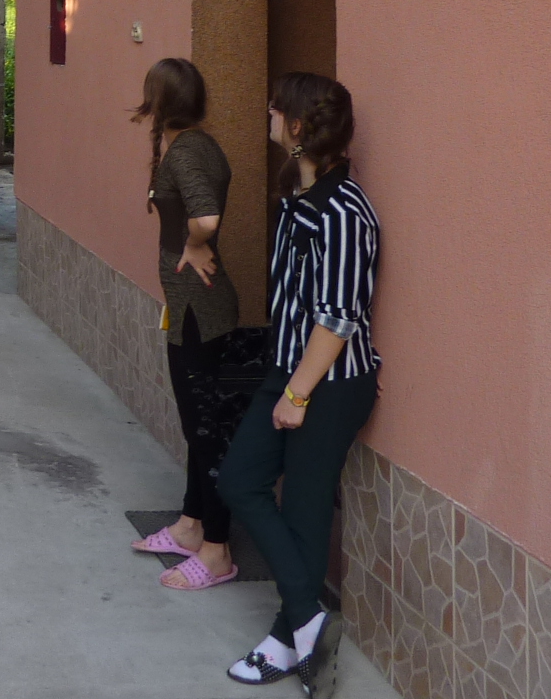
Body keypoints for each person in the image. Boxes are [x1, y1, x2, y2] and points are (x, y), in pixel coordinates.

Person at [216, 73, 379, 694]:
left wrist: (298, 394)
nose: (269, 112)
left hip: (327, 383)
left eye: (278, 108)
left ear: (300, 126)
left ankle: (287, 640)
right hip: (289, 370)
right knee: (240, 480)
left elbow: (338, 317)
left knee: (305, 513)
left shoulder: (343, 212)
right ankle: (308, 618)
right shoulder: (300, 195)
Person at [129, 58, 242, 592]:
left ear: (160, 102)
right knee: (196, 424)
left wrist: (196, 244)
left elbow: (206, 217)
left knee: (205, 429)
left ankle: (217, 551)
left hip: (200, 309)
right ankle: (191, 526)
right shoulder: (196, 144)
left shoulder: (189, 150)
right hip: (194, 309)